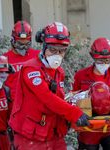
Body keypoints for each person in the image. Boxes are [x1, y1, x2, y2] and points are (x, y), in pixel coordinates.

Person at [8, 22, 89, 150]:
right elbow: (46, 97)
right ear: (44, 46)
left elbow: (59, 99)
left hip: (53, 135)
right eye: (52, 49)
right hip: (31, 138)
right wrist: (74, 113)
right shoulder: (31, 69)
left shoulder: (59, 72)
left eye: (62, 50)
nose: (57, 54)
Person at [73, 37, 110, 150]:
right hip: (88, 128)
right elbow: (73, 98)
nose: (104, 63)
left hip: (108, 127)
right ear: (93, 57)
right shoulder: (81, 76)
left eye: (107, 60)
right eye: (100, 60)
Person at [4, 20, 40, 100]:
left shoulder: (38, 55)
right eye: (20, 44)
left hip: (35, 102)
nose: (23, 47)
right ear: (13, 40)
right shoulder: (4, 59)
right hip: (14, 104)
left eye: (26, 44)